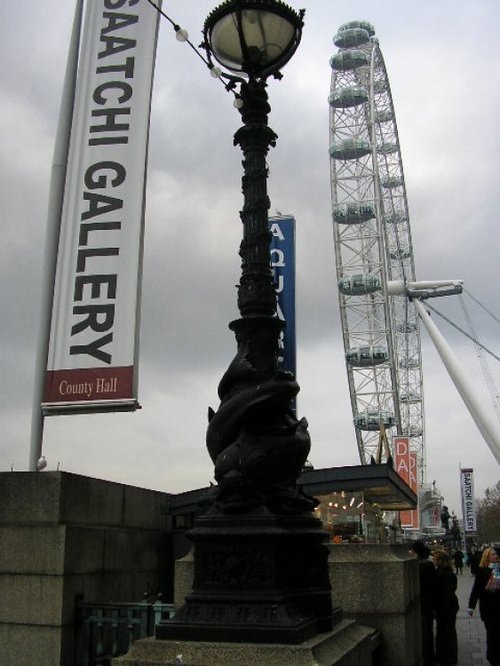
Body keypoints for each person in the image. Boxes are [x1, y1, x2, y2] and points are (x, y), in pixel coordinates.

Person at [467, 545, 500, 666]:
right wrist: (471, 606)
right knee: (491, 634)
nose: (496, 556)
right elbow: (476, 590)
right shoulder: (482, 571)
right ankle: (493, 658)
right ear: (487, 557)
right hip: (488, 609)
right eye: (492, 554)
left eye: (496, 554)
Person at [410, 540, 436, 666]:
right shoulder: (428, 563)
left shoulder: (422, 565)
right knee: (428, 630)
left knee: (426, 631)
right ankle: (430, 656)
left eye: (412, 551)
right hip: (429, 603)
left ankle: (428, 658)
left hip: (425, 604)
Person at [432, 549, 459, 665]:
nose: (433, 561)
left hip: (446, 607)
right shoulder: (449, 573)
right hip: (450, 606)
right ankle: (448, 656)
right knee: (449, 631)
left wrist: (441, 609)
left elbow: (445, 593)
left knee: (445, 632)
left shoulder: (442, 574)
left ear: (440, 561)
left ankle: (446, 657)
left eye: (434, 559)